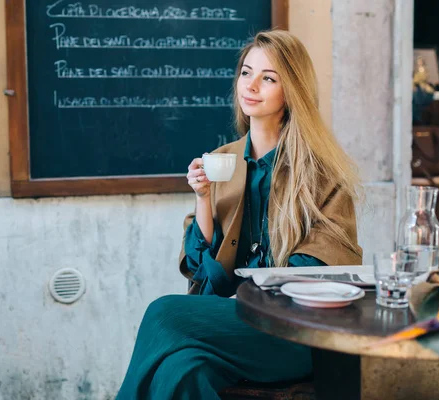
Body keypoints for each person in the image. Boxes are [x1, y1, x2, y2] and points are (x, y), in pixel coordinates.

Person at [116, 29, 362, 400]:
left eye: (268, 78)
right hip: (234, 326)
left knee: (164, 313)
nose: (251, 85)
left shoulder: (322, 173)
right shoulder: (223, 161)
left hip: (295, 332)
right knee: (182, 370)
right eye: (246, 73)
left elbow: (317, 274)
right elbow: (204, 275)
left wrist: (248, 293)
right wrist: (202, 198)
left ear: (291, 90)